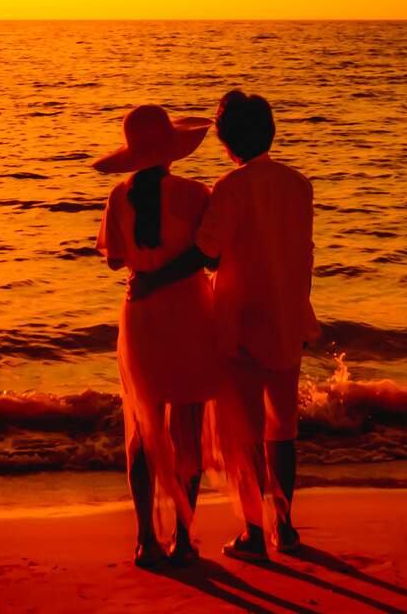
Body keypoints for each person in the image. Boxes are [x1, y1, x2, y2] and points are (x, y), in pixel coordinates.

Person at [132, 89, 318, 558]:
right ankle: (286, 528)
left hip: (241, 322)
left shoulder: (230, 188)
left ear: (227, 142)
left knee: (249, 433)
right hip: (289, 315)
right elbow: (303, 253)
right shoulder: (299, 184)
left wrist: (155, 279)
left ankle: (255, 535)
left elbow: (205, 253)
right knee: (285, 428)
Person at [94, 104, 227, 569]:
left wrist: (146, 266)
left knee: (143, 427)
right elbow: (211, 259)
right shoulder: (196, 193)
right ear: (172, 151)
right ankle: (185, 539)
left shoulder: (117, 195)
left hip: (142, 316)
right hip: (190, 312)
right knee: (186, 428)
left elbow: (113, 260)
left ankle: (145, 540)